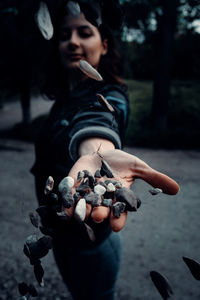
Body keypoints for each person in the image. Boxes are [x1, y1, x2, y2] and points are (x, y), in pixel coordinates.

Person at [31, 1, 179, 299]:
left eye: (84, 32)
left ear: (105, 44)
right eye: (64, 35)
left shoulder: (111, 94)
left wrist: (97, 152)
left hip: (91, 246)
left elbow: (98, 121)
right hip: (60, 236)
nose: (72, 41)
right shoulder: (63, 100)